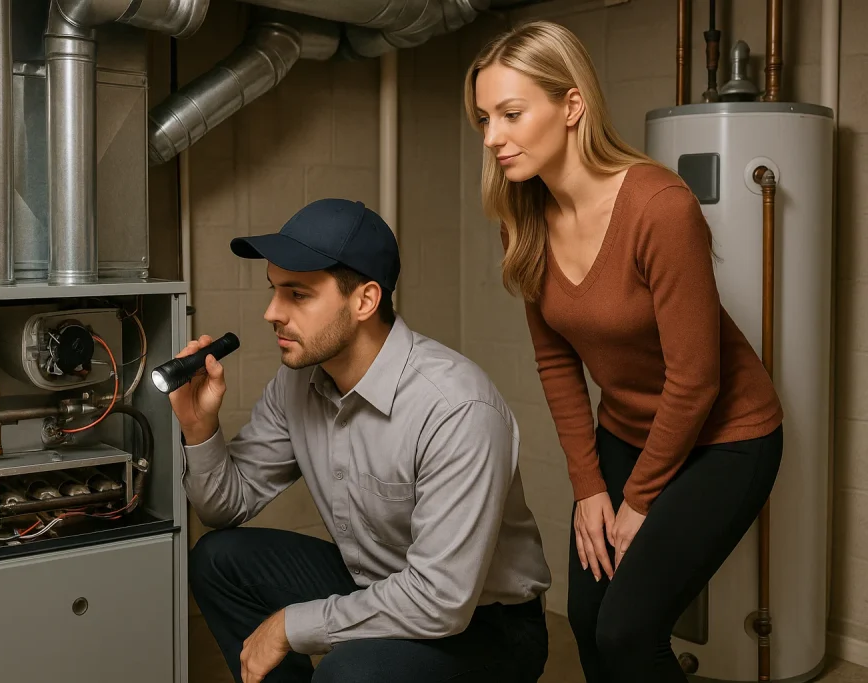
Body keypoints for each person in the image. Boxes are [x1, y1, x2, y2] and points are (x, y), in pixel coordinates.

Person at [463, 20, 785, 683]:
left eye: (511, 114)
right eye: (484, 118)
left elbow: (697, 378)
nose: (492, 136)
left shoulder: (659, 207)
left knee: (628, 628)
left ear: (572, 105)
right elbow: (556, 363)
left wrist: (635, 500)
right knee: (588, 620)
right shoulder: (521, 222)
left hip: (728, 436)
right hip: (628, 430)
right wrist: (589, 488)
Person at [169, 197, 552, 683]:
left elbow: (441, 600)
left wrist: (292, 626)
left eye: (297, 294)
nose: (271, 312)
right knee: (218, 562)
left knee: (351, 672)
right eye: (273, 290)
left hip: (482, 622)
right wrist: (199, 427)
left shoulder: (455, 408)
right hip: (375, 581)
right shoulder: (299, 381)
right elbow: (223, 509)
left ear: (365, 300)